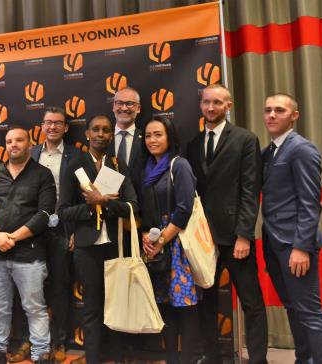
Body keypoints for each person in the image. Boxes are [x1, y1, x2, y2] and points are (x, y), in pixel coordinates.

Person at [186, 84, 267, 364]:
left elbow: (250, 189)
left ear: (228, 106)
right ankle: (212, 356)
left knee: (251, 302)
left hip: (235, 238)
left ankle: (258, 360)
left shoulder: (245, 139)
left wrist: (244, 235)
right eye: (207, 102)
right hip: (203, 239)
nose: (211, 108)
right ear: (201, 105)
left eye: (217, 103)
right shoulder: (194, 144)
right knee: (205, 303)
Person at [261, 93, 322, 363]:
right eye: (268, 109)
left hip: (295, 246)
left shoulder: (301, 149)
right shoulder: (269, 152)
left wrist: (301, 247)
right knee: (293, 308)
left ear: (294, 115)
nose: (271, 115)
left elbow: (310, 202)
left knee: (309, 311)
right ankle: (303, 359)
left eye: (279, 110)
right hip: (274, 243)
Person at [58, 114, 138, 364]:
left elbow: (132, 206)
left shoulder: (118, 165)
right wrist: (91, 207)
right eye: (96, 129)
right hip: (86, 248)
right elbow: (62, 211)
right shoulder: (74, 167)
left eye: (106, 130)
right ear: (87, 134)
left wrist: (103, 201)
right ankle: (92, 358)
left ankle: (117, 357)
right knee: (92, 307)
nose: (101, 134)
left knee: (116, 305)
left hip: (116, 246)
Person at [0, 126, 56, 364]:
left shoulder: (43, 174)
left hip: (29, 254)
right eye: (9, 140)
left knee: (34, 308)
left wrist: (12, 237)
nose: (14, 144)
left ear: (29, 143)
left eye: (19, 140)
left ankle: (41, 354)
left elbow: (44, 214)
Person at [139, 116, 198, 364]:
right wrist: (147, 237)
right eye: (148, 135)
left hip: (177, 243)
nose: (152, 140)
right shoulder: (147, 170)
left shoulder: (179, 165)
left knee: (184, 305)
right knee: (165, 305)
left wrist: (162, 239)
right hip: (156, 244)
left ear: (169, 137)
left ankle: (187, 359)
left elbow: (184, 208)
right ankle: (172, 358)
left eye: (158, 134)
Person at [26, 107, 82, 362]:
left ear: (66, 127)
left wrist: (75, 231)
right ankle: (34, 340)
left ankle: (60, 342)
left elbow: (83, 195)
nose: (52, 127)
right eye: (48, 123)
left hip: (62, 229)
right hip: (33, 229)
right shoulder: (32, 153)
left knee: (59, 287)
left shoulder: (77, 157)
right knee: (31, 288)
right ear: (41, 125)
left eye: (58, 123)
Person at [110, 87, 144, 190]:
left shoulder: (147, 139)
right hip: (108, 202)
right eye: (119, 103)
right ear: (113, 106)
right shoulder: (102, 139)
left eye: (129, 103)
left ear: (138, 108)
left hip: (141, 203)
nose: (124, 108)